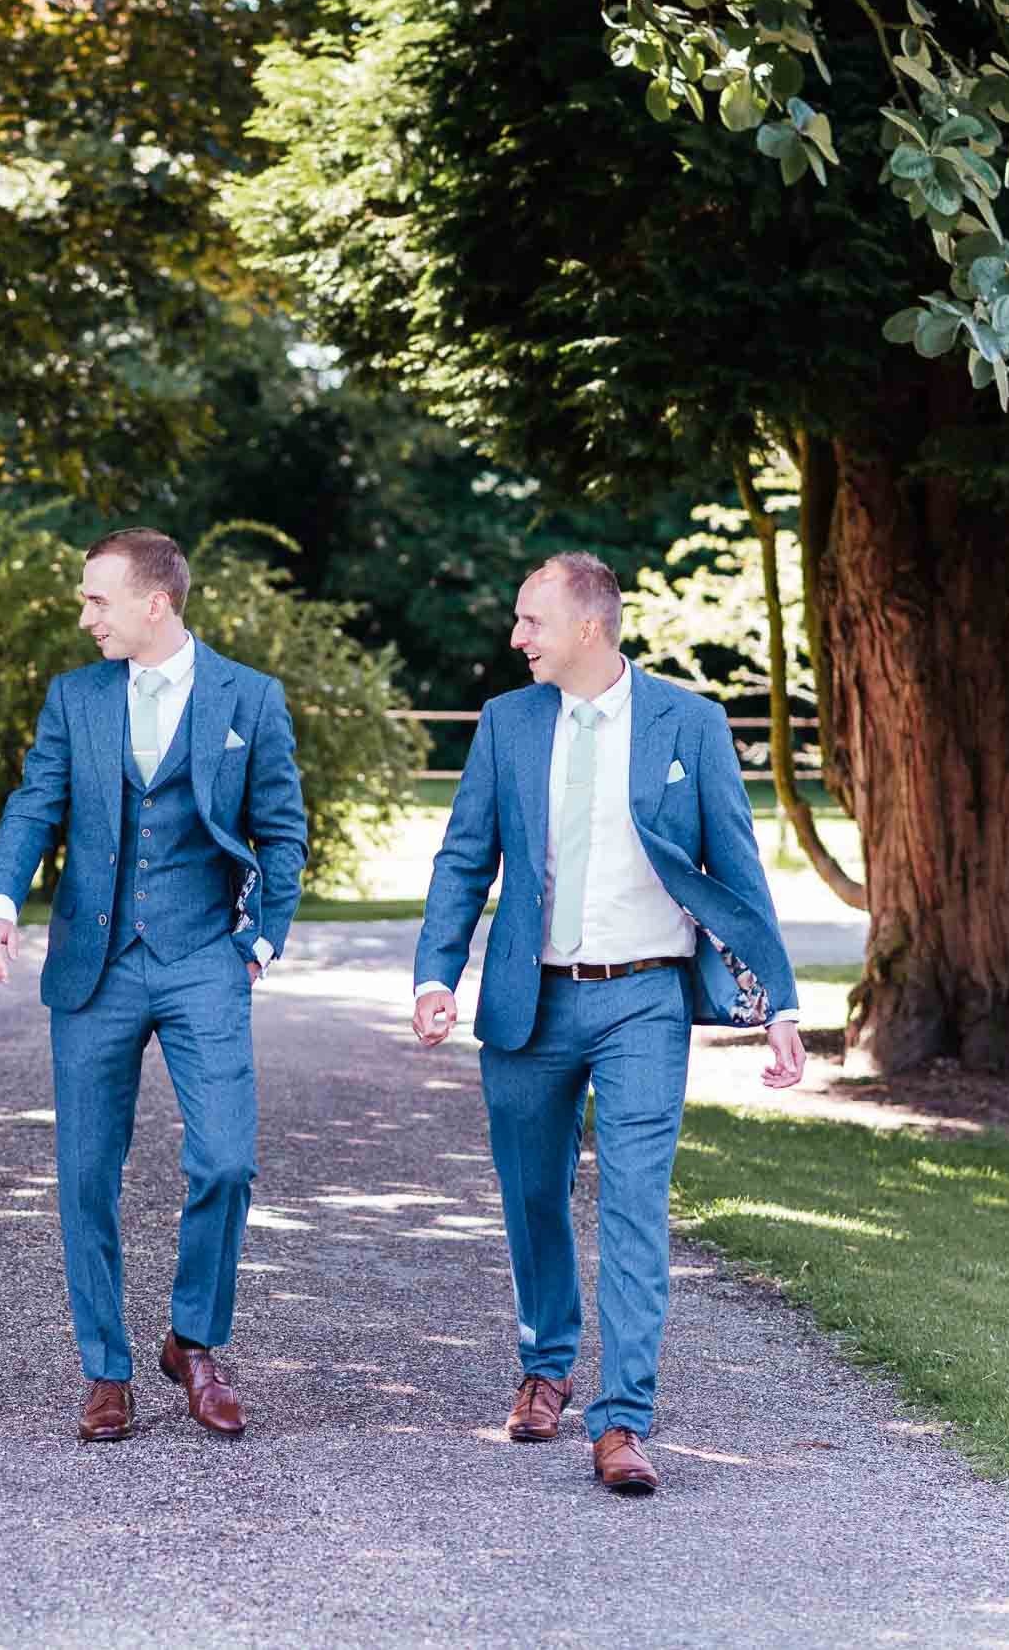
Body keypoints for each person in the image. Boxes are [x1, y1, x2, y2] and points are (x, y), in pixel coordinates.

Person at [412, 551, 804, 1495]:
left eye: (530, 621)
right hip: (530, 998)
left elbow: (736, 869)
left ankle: (622, 1419)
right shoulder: (508, 723)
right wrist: (436, 972)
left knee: (635, 1203)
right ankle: (547, 1364)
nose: (517, 638)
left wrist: (778, 1001)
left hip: (643, 997)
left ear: (589, 627)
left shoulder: (690, 724)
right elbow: (465, 856)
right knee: (533, 1195)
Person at [0, 527, 308, 1443]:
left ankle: (193, 1338)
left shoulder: (250, 696)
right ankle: (106, 1368)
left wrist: (262, 941)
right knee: (86, 1171)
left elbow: (282, 833)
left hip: (206, 954)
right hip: (96, 958)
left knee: (227, 1159)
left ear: (155, 604)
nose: (84, 616)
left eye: (97, 600)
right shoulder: (73, 697)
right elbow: (36, 802)